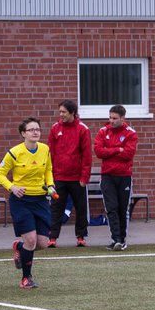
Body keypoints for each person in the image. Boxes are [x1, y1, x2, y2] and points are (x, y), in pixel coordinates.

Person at [0, 117, 56, 289]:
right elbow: (0, 174)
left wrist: (50, 185)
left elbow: (48, 170)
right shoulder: (14, 152)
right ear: (23, 133)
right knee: (31, 240)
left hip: (40, 200)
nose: (35, 132)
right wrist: (12, 187)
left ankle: (19, 247)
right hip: (21, 201)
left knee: (42, 243)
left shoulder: (45, 149)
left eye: (37, 129)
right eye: (31, 130)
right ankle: (26, 278)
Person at [46, 99, 92, 248]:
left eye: (63, 112)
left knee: (81, 207)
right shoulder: (55, 128)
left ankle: (81, 236)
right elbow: (49, 153)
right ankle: (52, 237)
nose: (61, 115)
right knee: (56, 207)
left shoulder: (83, 129)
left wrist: (84, 177)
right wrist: (50, 176)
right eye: (60, 112)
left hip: (77, 178)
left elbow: (87, 156)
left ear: (72, 113)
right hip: (58, 177)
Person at [93, 104, 138, 251]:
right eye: (110, 118)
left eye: (115, 118)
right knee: (111, 208)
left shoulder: (131, 133)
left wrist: (109, 150)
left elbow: (128, 155)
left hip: (124, 176)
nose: (111, 121)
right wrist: (118, 149)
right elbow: (99, 152)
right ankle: (115, 239)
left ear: (122, 118)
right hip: (107, 176)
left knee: (122, 209)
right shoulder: (102, 131)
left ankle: (122, 239)